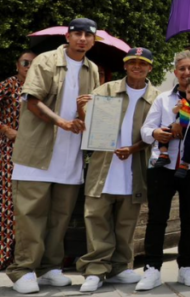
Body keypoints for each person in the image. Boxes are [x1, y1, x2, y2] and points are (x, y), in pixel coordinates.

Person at [8, 18, 100, 294]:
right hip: (37, 152)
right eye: (77, 33)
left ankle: (50, 268)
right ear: (67, 36)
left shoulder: (93, 69)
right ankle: (23, 269)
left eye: (88, 35)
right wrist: (62, 122)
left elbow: (91, 112)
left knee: (60, 216)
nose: (82, 38)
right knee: (31, 214)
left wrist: (84, 114)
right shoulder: (45, 61)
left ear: (93, 40)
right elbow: (32, 101)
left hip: (70, 156)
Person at [75, 47, 159, 292]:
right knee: (96, 218)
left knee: (126, 222)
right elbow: (89, 126)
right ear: (125, 65)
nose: (137, 66)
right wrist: (81, 110)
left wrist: (133, 149)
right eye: (132, 62)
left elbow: (158, 133)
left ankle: (119, 268)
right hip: (104, 165)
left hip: (134, 168)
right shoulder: (105, 90)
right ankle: (95, 270)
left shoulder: (158, 97)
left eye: (142, 63)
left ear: (149, 68)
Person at [136, 51, 190, 291]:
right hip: (163, 166)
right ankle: (152, 268)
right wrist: (157, 133)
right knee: (156, 218)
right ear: (175, 72)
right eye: (182, 68)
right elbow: (146, 131)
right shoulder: (163, 99)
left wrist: (181, 121)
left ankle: (186, 266)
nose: (187, 73)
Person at [0, 51, 33, 270]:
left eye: (33, 63)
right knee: (7, 202)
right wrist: (5, 129)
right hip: (9, 151)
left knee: (28, 204)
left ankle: (21, 255)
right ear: (17, 65)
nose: (29, 66)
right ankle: (4, 254)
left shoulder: (40, 88)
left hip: (34, 152)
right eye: (25, 62)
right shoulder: (8, 85)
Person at [150, 74, 190, 178]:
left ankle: (185, 164)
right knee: (164, 132)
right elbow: (174, 111)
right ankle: (164, 154)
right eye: (189, 92)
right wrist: (178, 107)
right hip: (178, 125)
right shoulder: (184, 101)